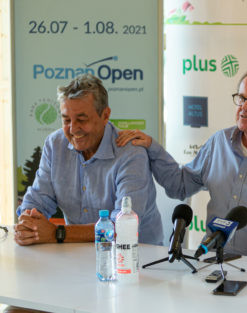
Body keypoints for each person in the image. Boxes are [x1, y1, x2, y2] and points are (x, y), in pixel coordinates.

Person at [117, 67, 247, 261]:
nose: (244, 107)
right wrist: (152, 147)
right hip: (215, 262)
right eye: (241, 98)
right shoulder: (218, 143)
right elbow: (179, 186)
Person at [14, 74, 163, 246]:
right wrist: (29, 223)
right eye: (66, 120)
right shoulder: (55, 144)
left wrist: (58, 233)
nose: (73, 129)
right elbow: (38, 199)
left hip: (135, 257)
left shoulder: (131, 153)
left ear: (105, 115)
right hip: (75, 254)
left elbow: (123, 226)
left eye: (82, 120)